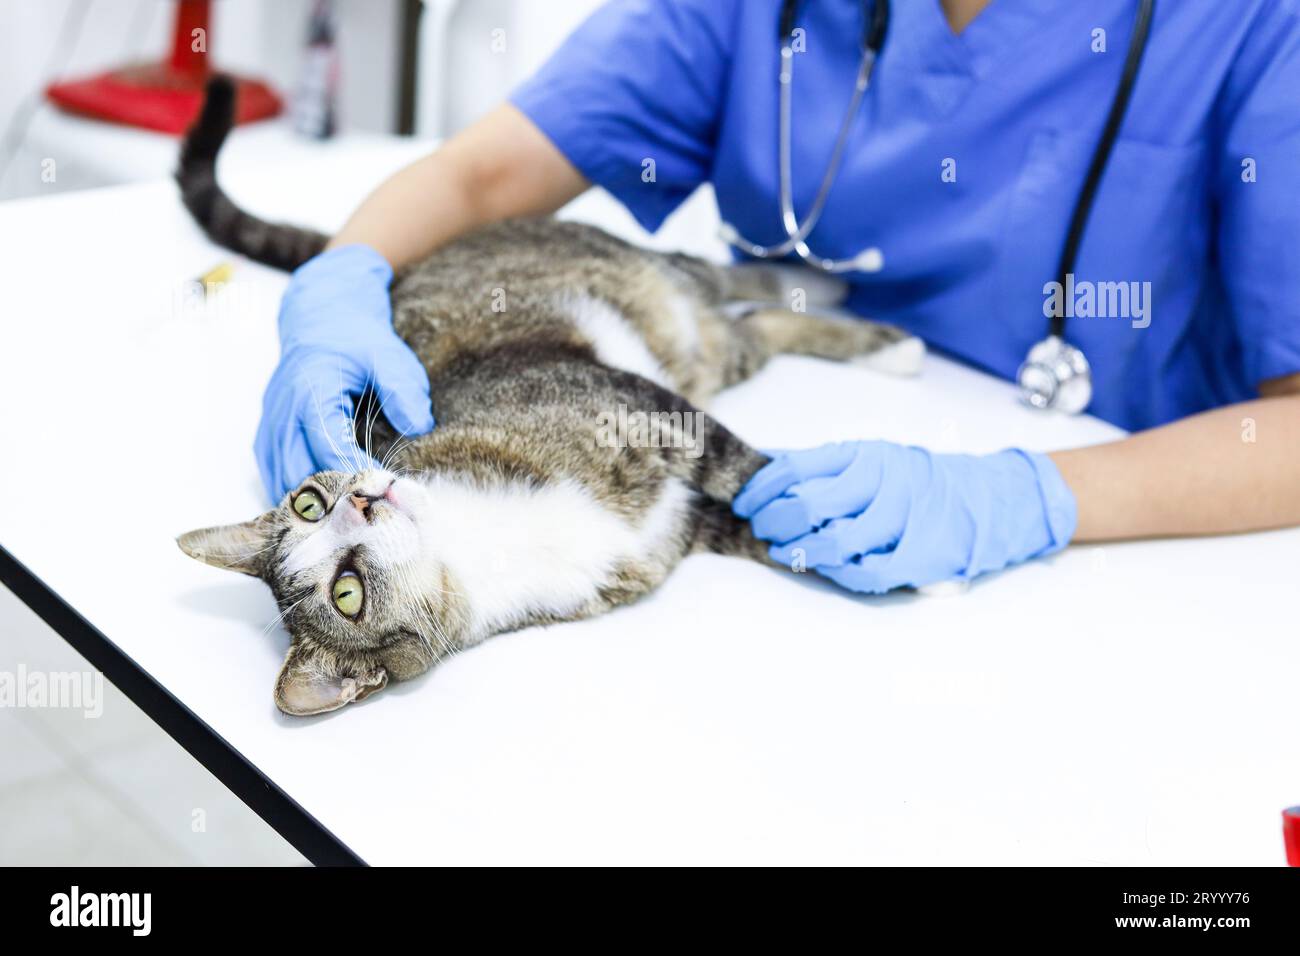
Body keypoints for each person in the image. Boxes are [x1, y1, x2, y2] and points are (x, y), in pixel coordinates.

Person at [257, 0, 1300, 594]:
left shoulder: (1253, 27)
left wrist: (1032, 498)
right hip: (795, 465)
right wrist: (340, 284)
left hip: (1143, 548)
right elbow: (489, 172)